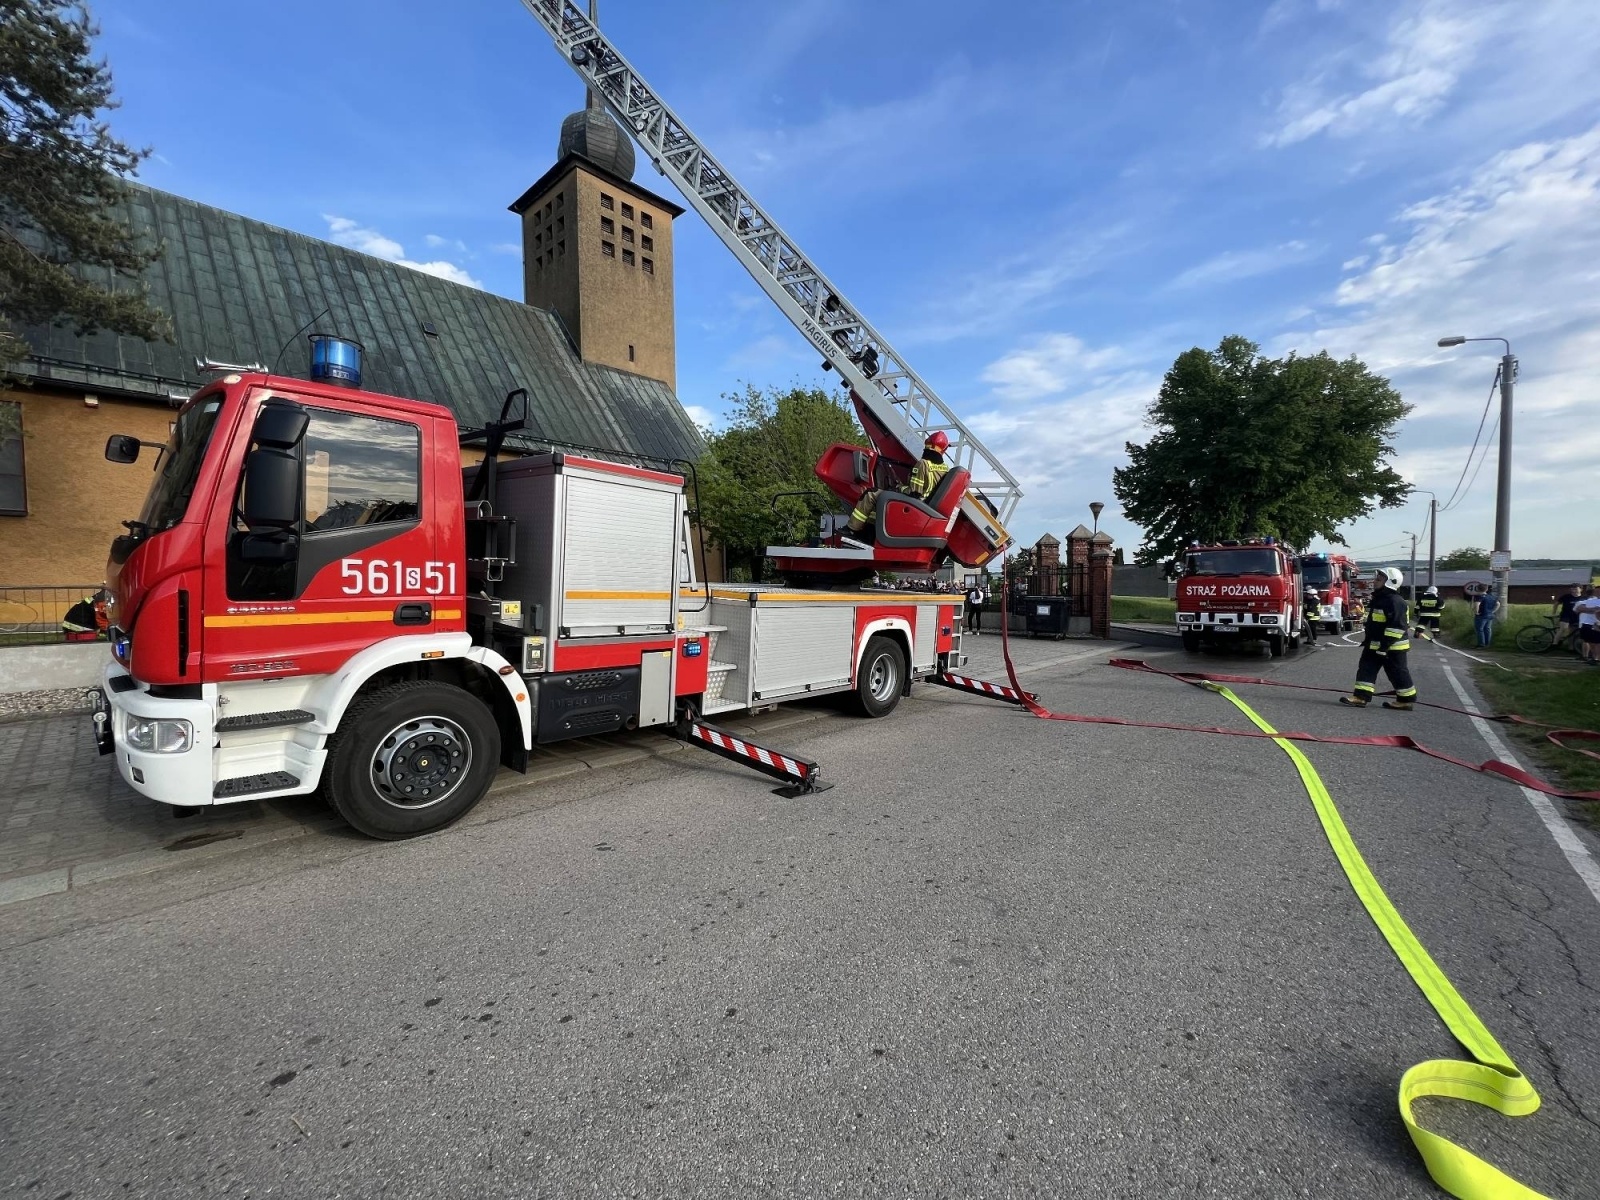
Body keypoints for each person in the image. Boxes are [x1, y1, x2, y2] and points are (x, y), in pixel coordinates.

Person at [844, 432, 951, 543]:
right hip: (925, 507)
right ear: (943, 450)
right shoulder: (945, 469)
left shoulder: (923, 464)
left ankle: (852, 529)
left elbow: (914, 493)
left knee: (871, 495)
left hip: (915, 505)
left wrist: (898, 487)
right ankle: (870, 532)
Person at [1340, 567, 1418, 710]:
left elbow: (1397, 627)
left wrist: (1384, 646)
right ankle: (1360, 697)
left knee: (1397, 673)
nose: (1374, 581)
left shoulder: (1395, 601)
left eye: (1379, 579)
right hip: (1375, 645)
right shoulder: (1380, 599)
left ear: (1390, 582)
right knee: (1366, 669)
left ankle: (1406, 700)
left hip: (1392, 647)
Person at [1554, 584, 1583, 654]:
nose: (1574, 590)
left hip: (1576, 617)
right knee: (1563, 628)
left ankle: (1571, 648)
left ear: (1581, 589)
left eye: (1576, 589)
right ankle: (1554, 644)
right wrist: (1554, 612)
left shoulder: (1583, 598)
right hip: (1565, 615)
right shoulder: (1566, 596)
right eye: (1572, 589)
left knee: (1572, 633)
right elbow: (1556, 603)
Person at [1574, 588, 1600, 666]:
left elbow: (1597, 611)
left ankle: (1597, 659)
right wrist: (1592, 610)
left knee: (1597, 642)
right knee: (1590, 642)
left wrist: (1587, 610)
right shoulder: (1590, 600)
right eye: (1596, 591)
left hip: (1596, 624)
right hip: (1586, 624)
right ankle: (1594, 658)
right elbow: (1578, 608)